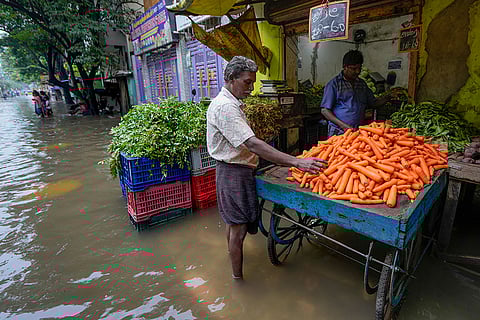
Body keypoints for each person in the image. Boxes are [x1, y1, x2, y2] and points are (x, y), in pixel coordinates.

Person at [206, 56, 327, 280]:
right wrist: (297, 161)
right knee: (238, 227)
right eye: (247, 82)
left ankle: (233, 258)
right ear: (231, 79)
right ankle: (237, 279)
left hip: (235, 169)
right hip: (233, 172)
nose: (251, 88)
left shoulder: (231, 103)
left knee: (233, 223)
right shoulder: (225, 107)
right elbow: (251, 143)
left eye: (253, 82)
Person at [320, 50, 391, 136]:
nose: (357, 71)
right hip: (338, 132)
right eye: (354, 68)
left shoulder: (362, 84)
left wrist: (388, 97)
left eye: (359, 68)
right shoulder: (334, 85)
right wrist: (344, 126)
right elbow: (325, 110)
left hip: (357, 132)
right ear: (345, 67)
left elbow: (373, 103)